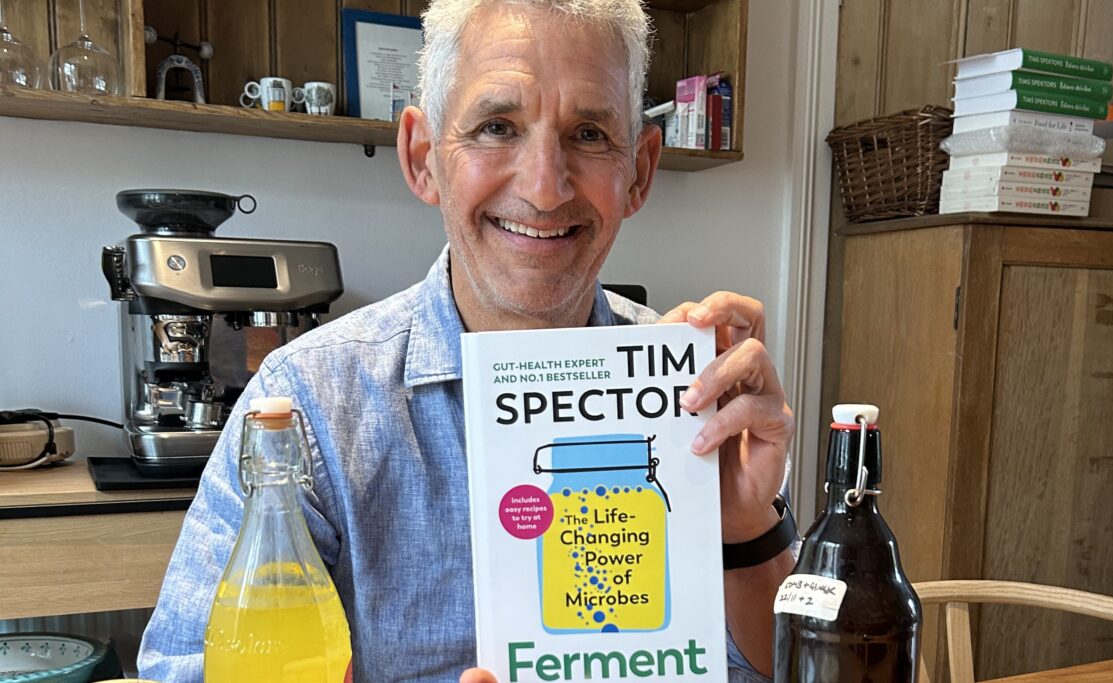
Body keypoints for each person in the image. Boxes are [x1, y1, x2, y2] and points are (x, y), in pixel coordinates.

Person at [138, 1, 796, 681]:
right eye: (496, 127)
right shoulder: (308, 403)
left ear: (640, 171)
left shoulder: (689, 394)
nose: (545, 187)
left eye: (590, 133)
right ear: (424, 159)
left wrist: (746, 525)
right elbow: (183, 669)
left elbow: (796, 668)